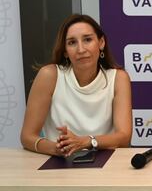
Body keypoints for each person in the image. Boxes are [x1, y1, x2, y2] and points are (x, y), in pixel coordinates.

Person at [20, 14, 132, 156]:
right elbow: (27, 136)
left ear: (101, 42)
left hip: (107, 164)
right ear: (65, 51)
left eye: (87, 40)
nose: (81, 49)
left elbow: (124, 137)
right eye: (72, 42)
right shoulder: (49, 75)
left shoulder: (118, 78)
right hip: (59, 165)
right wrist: (56, 149)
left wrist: (86, 141)